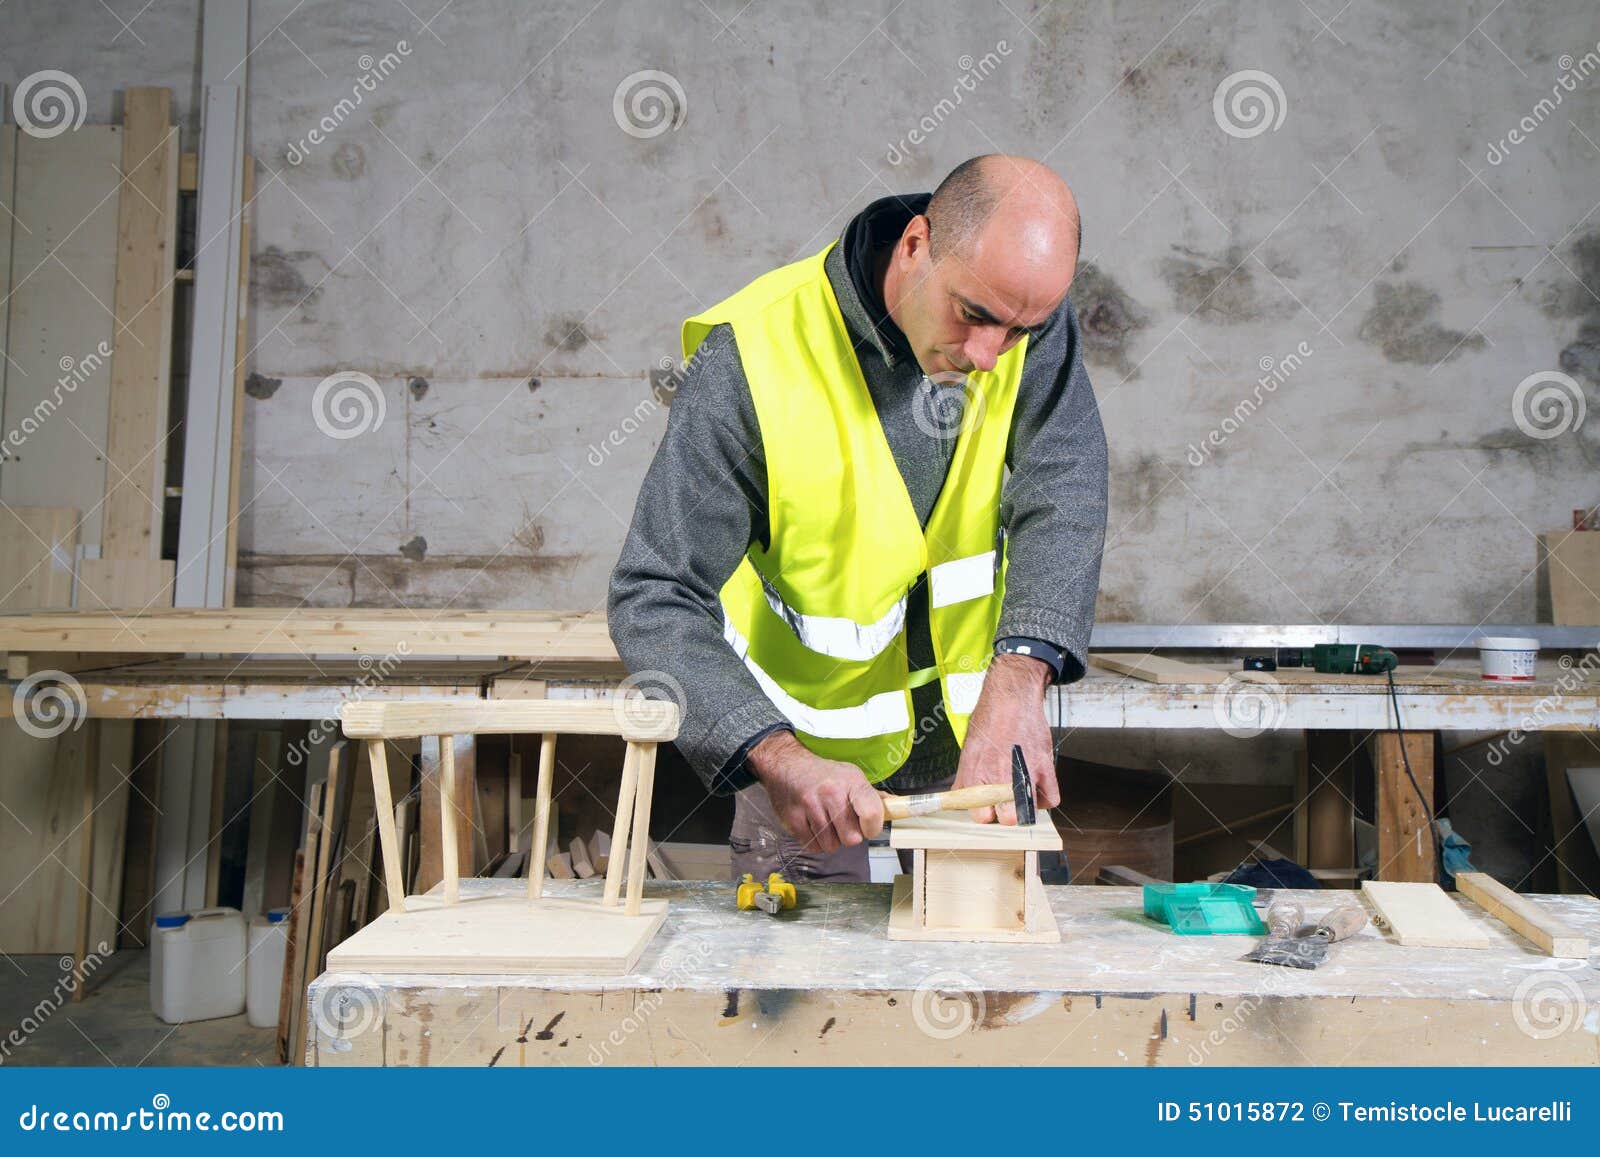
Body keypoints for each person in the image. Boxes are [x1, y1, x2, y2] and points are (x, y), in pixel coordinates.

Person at [609, 154, 1107, 882]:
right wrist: (775, 755)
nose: (988, 356)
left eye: (1018, 331)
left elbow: (1066, 488)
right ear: (915, 246)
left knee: (1015, 953)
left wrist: (1019, 681)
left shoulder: (1021, 313)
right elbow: (654, 592)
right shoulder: (752, 359)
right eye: (972, 315)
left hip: (977, 754)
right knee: (801, 958)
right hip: (804, 775)